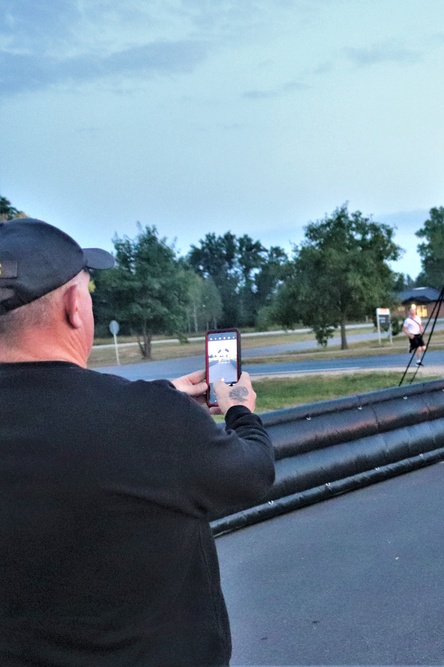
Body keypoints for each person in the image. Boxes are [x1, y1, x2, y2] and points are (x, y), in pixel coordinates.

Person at [0, 219, 275, 666]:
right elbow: (253, 472)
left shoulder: (148, 413)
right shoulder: (149, 419)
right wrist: (240, 406)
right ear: (74, 306)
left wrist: (158, 397)